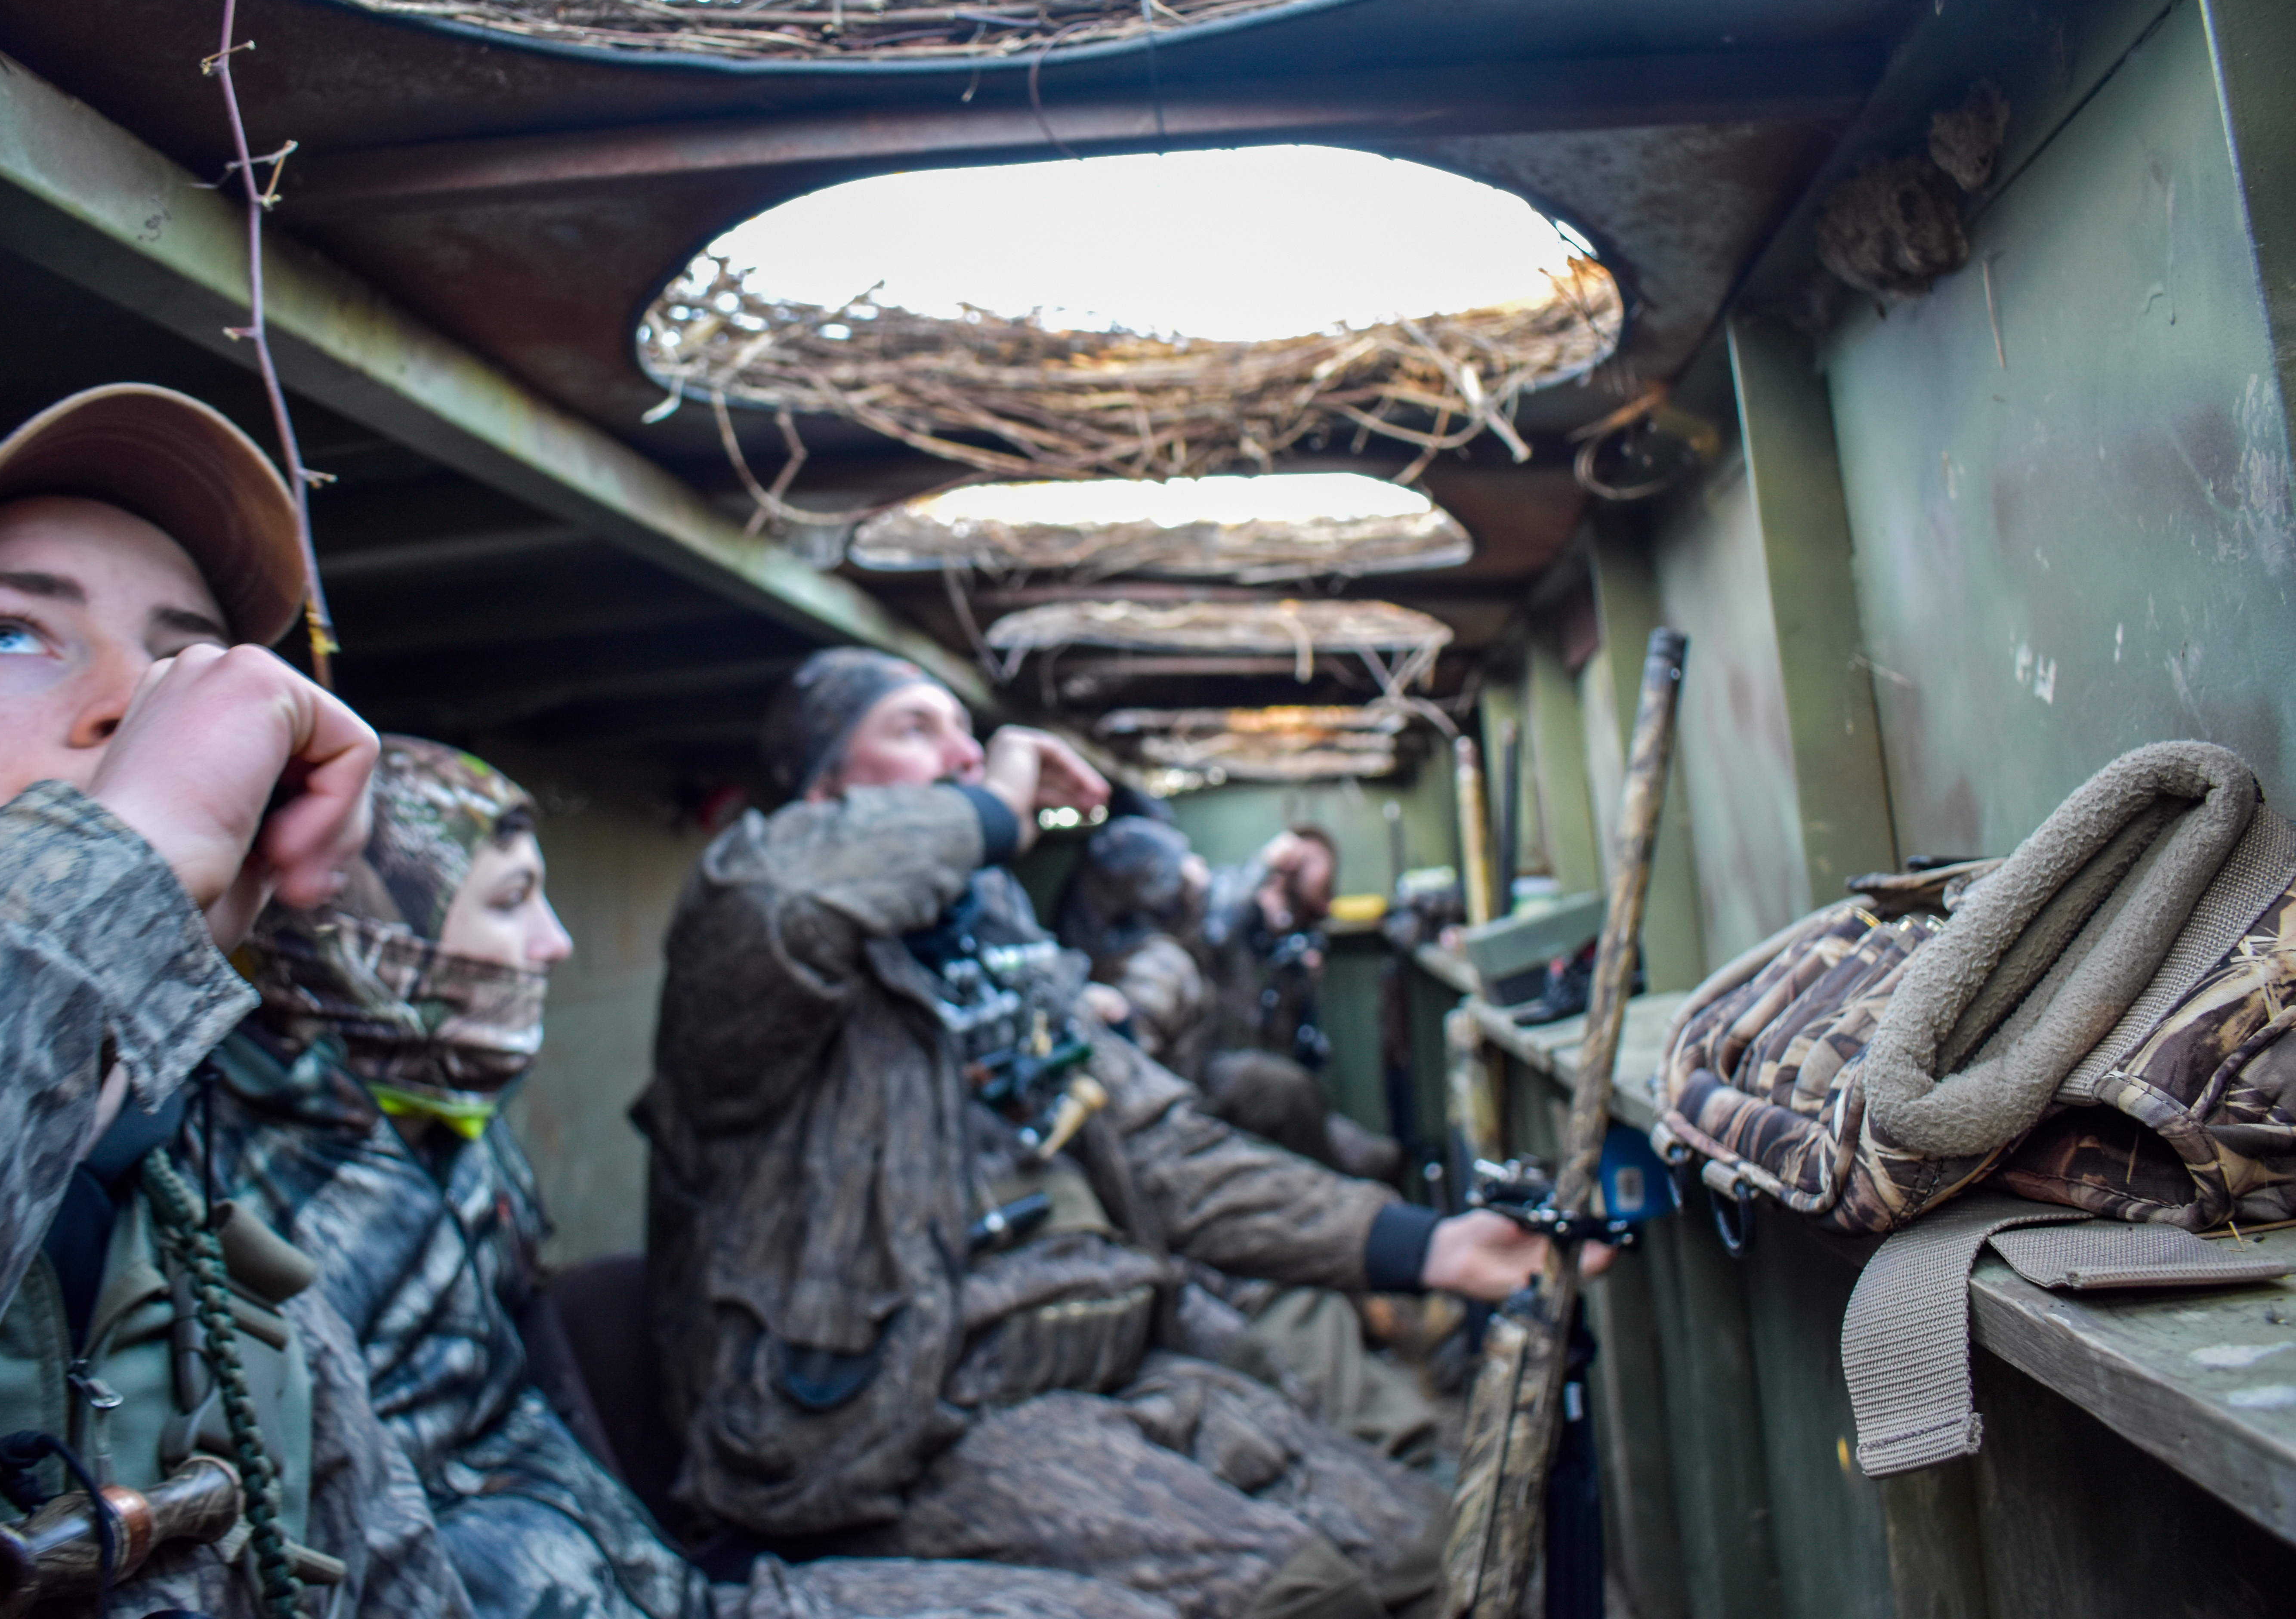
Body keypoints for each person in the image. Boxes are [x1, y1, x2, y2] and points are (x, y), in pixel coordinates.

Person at [638, 648, 1607, 1619]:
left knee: (1440, 1556)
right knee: (1307, 1597)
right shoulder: (751, 959)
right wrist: (995, 807)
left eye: (964, 734)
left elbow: (1165, 1151)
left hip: (1115, 1359)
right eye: (913, 729)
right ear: (827, 787)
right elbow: (785, 895)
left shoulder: (994, 941)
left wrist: (1430, 1244)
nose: (966, 755)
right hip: (904, 1430)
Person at [0, 385, 466, 1618]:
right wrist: (110, 878)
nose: (144, 703)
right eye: (10, 633)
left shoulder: (220, 1254)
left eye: (188, 659)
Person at [208, 736, 1175, 1619]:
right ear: (364, 944)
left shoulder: (459, 1143)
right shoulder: (257, 1205)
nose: (557, 941)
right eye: (509, 901)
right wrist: (997, 803)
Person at [1055, 817, 1438, 1467]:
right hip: (1162, 1186)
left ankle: (1387, 1313)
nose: (1199, 885)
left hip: (1197, 1142)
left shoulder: (1213, 943)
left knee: (1359, 1157)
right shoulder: (1161, 963)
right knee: (1299, 1299)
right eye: (1184, 879)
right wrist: (1118, 1021)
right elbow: (1136, 1032)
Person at [1192, 828, 1401, 1183]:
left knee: (1382, 1157)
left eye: (1317, 863)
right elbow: (1217, 927)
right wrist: (1264, 864)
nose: (1306, 869)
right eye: (1299, 862)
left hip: (1282, 1081)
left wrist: (1300, 976)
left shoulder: (1299, 937)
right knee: (1292, 1094)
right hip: (1214, 1072)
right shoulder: (1238, 909)